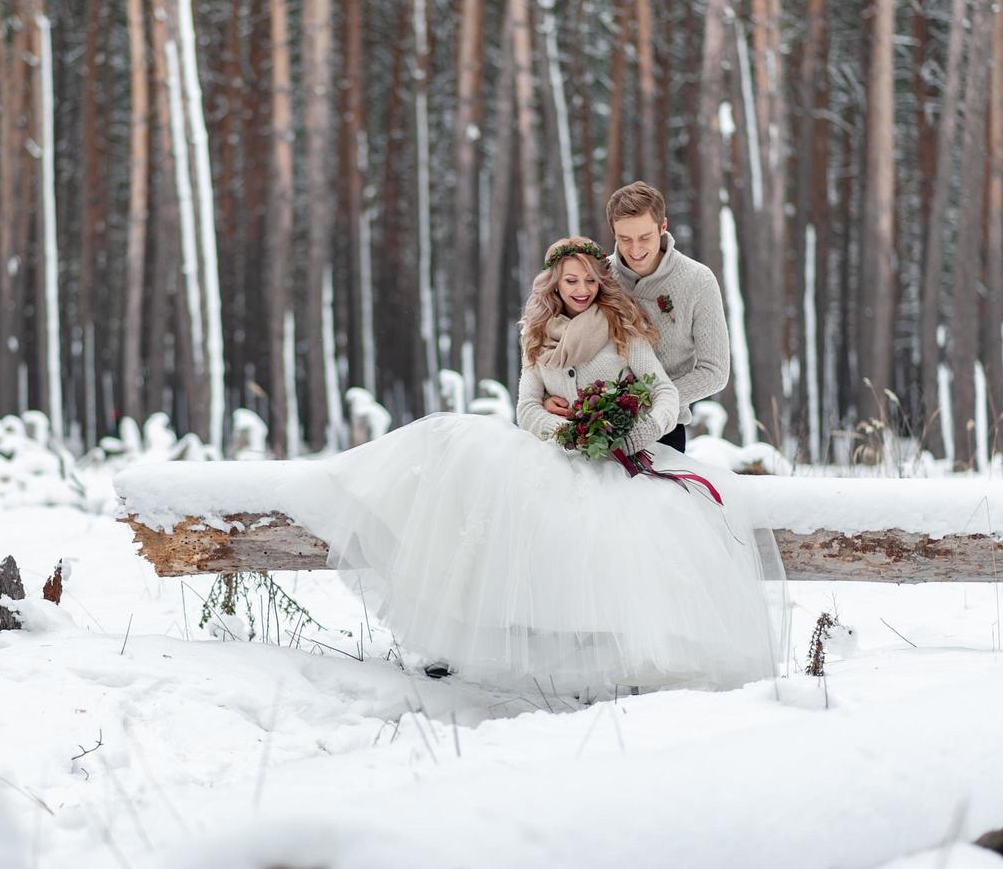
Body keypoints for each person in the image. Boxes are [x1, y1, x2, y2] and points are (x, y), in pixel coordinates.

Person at [306, 237, 787, 695]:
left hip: (616, 458)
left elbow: (662, 391)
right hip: (559, 452)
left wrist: (635, 430)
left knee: (629, 538)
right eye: (571, 282)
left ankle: (627, 662)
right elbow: (527, 409)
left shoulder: (623, 329)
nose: (581, 291)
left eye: (590, 282)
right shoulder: (536, 336)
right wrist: (567, 431)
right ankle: (462, 642)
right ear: (553, 284)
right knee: (469, 471)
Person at [543, 182, 729, 453]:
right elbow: (566, 341)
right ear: (613, 233)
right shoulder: (598, 278)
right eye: (625, 239)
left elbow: (715, 372)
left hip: (663, 429)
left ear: (662, 227)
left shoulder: (698, 280)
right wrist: (550, 396)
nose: (635, 249)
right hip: (595, 425)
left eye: (645, 237)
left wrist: (646, 401)